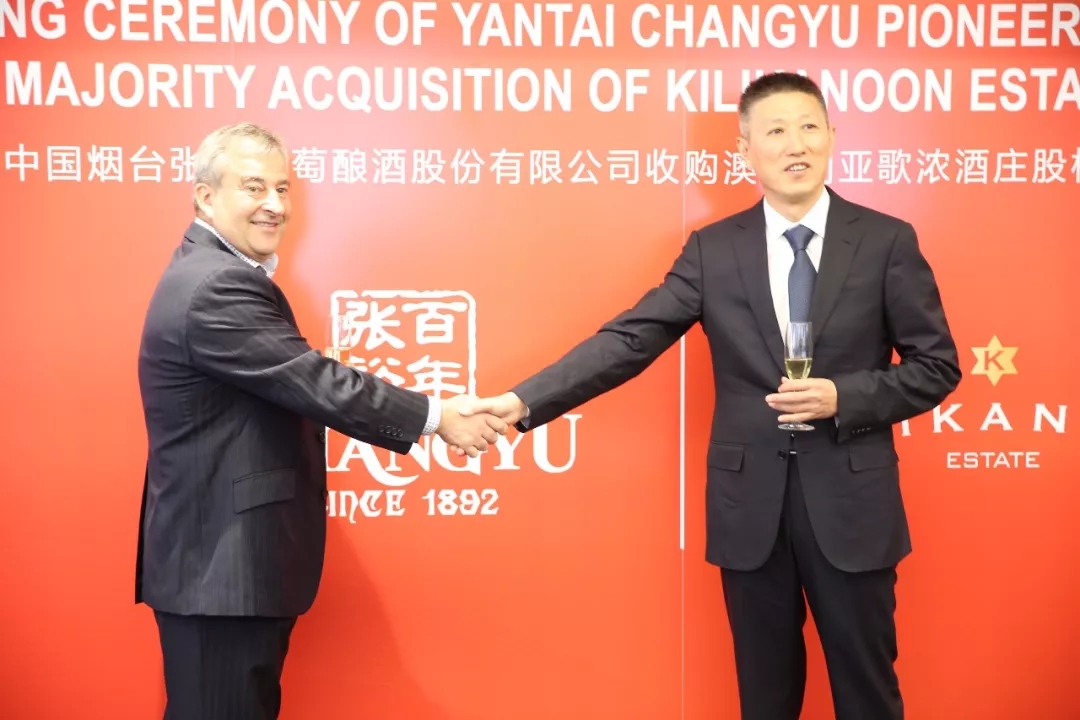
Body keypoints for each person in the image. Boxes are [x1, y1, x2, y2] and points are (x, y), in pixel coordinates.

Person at [462, 73, 961, 719]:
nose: (796, 144)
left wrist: (845, 396)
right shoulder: (714, 249)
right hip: (749, 508)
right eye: (775, 130)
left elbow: (936, 366)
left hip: (852, 505)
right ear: (745, 150)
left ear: (832, 136)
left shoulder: (886, 240)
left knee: (868, 696)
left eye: (809, 126)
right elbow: (631, 338)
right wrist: (522, 401)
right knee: (764, 697)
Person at [134, 122, 505, 720]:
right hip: (219, 574)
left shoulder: (209, 273)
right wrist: (436, 416)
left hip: (222, 572)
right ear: (205, 196)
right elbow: (315, 382)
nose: (274, 205)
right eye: (253, 187)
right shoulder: (215, 285)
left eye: (282, 189)